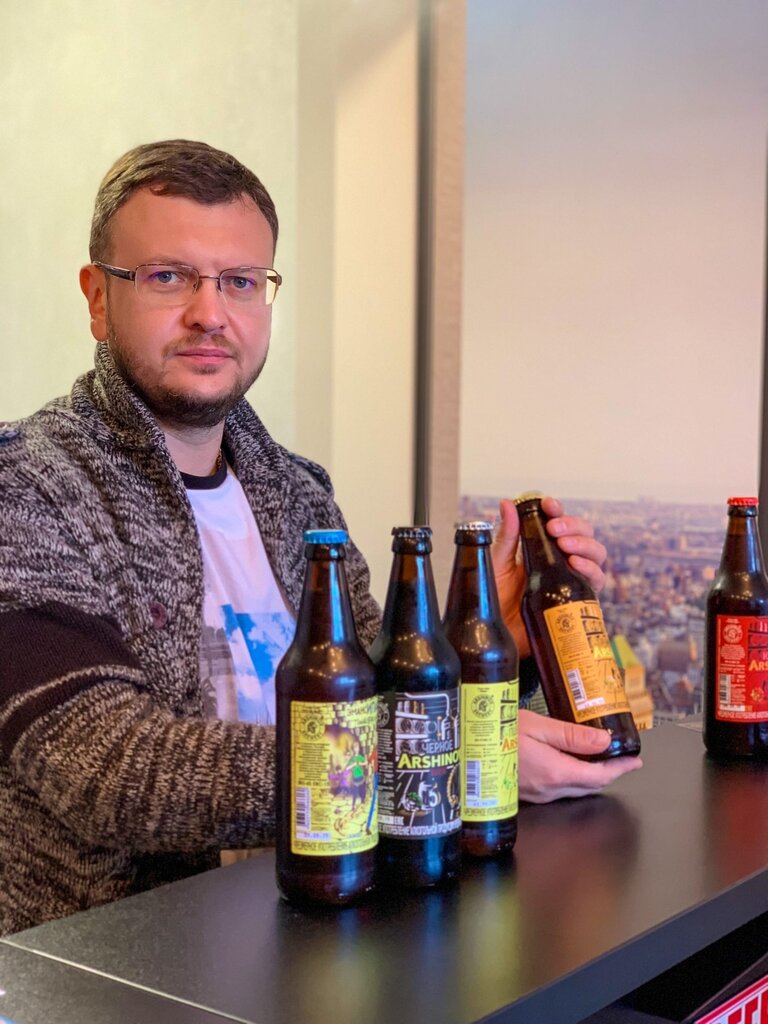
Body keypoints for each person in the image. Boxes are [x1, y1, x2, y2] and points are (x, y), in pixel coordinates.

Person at [0, 140, 640, 935]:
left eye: (240, 281)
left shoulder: (301, 494)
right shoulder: (25, 487)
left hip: (325, 934)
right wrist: (430, 757)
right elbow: (110, 772)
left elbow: (382, 697)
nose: (210, 313)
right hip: (121, 965)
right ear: (98, 298)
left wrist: (491, 647)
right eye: (168, 276)